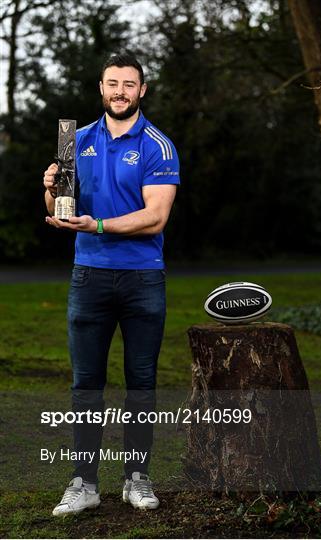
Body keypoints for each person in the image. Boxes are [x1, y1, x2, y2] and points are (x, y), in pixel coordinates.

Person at [43, 53, 180, 515]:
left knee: (140, 382)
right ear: (101, 88)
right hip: (89, 278)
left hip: (143, 277)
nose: (120, 90)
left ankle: (136, 477)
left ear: (143, 90)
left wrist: (98, 225)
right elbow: (62, 206)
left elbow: (155, 216)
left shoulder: (159, 146)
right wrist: (50, 186)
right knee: (86, 385)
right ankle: (83, 482)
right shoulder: (74, 141)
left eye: (129, 83)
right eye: (112, 83)